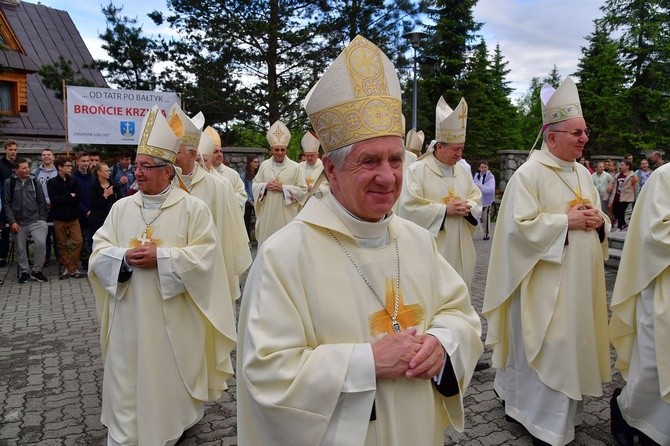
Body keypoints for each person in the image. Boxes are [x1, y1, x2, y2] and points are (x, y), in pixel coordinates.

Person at [237, 35, 483, 446]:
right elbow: (267, 373)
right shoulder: (284, 255)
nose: (387, 177)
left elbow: (461, 315)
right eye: (369, 161)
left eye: (395, 159)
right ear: (330, 172)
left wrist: (443, 344)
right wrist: (367, 362)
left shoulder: (418, 241)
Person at [88, 105, 237, 446]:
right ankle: (125, 433)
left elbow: (206, 256)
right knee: (127, 374)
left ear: (168, 171)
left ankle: (169, 426)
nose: (136, 173)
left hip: (173, 315)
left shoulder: (193, 209)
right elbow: (98, 252)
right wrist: (122, 257)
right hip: (129, 314)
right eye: (136, 166)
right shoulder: (122, 208)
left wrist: (163, 257)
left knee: (166, 374)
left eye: (146, 167)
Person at [483, 78, 612, 446]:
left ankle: (560, 418)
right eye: (577, 132)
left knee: (572, 346)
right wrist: (565, 223)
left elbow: (597, 215)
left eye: (585, 131)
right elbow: (516, 230)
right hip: (543, 285)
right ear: (551, 137)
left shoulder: (583, 173)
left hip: (579, 285)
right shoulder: (528, 175)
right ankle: (537, 419)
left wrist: (597, 222)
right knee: (548, 345)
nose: (584, 138)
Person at [609, 162, 670, 446]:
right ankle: (629, 414)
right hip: (663, 287)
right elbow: (656, 234)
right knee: (654, 367)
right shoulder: (664, 177)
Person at [397, 96, 482, 290]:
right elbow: (408, 207)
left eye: (462, 149)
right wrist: (444, 211)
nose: (459, 155)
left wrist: (468, 207)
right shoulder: (417, 171)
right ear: (439, 146)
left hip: (459, 245)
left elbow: (475, 198)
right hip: (431, 248)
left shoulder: (462, 171)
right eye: (455, 149)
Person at [169, 104, 251, 301]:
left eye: (176, 152)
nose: (172, 158)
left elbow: (225, 230)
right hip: (172, 268)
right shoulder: (167, 182)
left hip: (210, 264)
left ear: (192, 154)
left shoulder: (218, 186)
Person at [252, 120, 307, 245]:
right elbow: (255, 185)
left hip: (287, 215)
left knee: (286, 246)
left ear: (286, 149)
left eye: (282, 149)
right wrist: (265, 186)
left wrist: (283, 188)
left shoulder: (295, 167)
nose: (280, 153)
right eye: (277, 150)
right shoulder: (264, 166)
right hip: (268, 214)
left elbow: (303, 190)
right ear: (271, 149)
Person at [3, 158, 48, 283]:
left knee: (41, 244)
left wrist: (42, 219)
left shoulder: (34, 181)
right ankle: (25, 272)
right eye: (23, 168)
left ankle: (37, 271)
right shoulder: (9, 183)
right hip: (18, 222)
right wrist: (12, 222)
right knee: (20, 248)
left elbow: (41, 201)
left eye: (27, 167)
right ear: (16, 170)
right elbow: (6, 204)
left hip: (35, 220)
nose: (27, 170)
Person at [47, 156, 85, 279]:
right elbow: (55, 200)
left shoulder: (74, 181)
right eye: (68, 166)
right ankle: (66, 268)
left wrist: (66, 197)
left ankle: (71, 267)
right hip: (59, 218)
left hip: (73, 217)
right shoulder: (52, 182)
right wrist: (70, 196)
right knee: (62, 244)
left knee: (78, 241)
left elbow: (79, 197)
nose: (70, 168)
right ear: (60, 167)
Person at [205, 126, 247, 214]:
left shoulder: (232, 174)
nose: (219, 154)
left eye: (221, 151)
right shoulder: (202, 172)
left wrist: (223, 200)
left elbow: (242, 196)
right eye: (215, 152)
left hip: (227, 217)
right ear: (207, 154)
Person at [33, 148, 59, 267]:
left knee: (58, 233)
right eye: (44, 155)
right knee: (44, 234)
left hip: (56, 206)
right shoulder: (36, 173)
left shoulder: (58, 171)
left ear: (53, 157)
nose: (46, 156)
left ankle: (60, 257)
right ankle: (45, 257)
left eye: (49, 154)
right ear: (41, 157)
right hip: (41, 207)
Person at [73, 152, 94, 270]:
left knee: (92, 238)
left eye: (87, 161)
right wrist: (85, 210)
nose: (86, 164)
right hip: (79, 214)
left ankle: (91, 261)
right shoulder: (73, 178)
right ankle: (84, 261)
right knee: (81, 240)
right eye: (83, 161)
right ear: (78, 162)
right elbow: (74, 198)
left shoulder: (92, 177)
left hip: (92, 213)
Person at [88, 162, 120, 237]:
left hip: (112, 219)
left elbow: (119, 200)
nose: (109, 172)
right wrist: (105, 196)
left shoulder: (114, 185)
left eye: (109, 170)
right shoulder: (93, 187)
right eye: (106, 171)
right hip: (99, 221)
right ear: (99, 172)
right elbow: (93, 205)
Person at [0, 140, 19, 267]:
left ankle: (22, 257)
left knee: (20, 230)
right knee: (4, 230)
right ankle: (2, 256)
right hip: (4, 201)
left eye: (14, 149)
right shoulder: (1, 164)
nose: (13, 152)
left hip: (19, 202)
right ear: (5, 150)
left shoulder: (20, 163)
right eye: (10, 149)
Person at [607, 159, 638, 232]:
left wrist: (636, 197)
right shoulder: (618, 174)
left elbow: (636, 187)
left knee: (621, 211)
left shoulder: (632, 175)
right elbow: (612, 183)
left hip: (626, 196)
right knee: (615, 210)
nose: (620, 166)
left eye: (622, 165)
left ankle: (620, 226)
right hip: (616, 195)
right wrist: (609, 188)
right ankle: (623, 223)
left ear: (627, 166)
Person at [473, 160, 496, 240]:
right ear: (479, 168)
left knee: (485, 217)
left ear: (488, 167)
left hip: (487, 200)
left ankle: (487, 233)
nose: (483, 169)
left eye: (485, 167)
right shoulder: (477, 175)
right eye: (482, 167)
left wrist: (481, 187)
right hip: (478, 199)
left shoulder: (490, 177)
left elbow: (491, 189)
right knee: (476, 215)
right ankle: (473, 232)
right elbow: (474, 186)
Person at [240, 155, 259, 239]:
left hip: (257, 201)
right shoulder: (244, 175)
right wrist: (250, 200)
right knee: (246, 221)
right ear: (249, 163)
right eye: (254, 162)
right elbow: (243, 189)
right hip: (248, 202)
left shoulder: (258, 174)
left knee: (259, 220)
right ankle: (248, 240)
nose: (257, 164)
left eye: (257, 162)